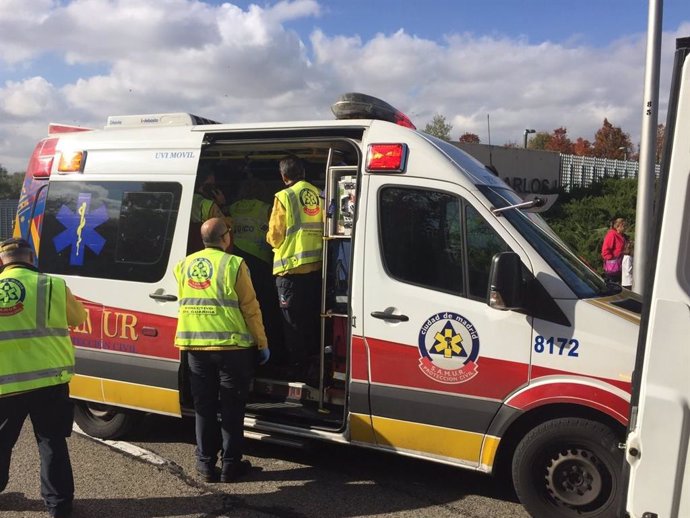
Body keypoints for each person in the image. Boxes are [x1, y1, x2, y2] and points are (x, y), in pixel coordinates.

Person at [174, 217, 269, 483]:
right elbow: (250, 308)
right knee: (232, 407)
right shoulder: (235, 264)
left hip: (195, 348)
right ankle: (230, 465)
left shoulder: (183, 265)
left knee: (203, 408)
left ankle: (205, 465)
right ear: (226, 237)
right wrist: (262, 343)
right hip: (232, 348)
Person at [0, 237, 87, 518]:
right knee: (51, 443)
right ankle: (59, 506)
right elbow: (77, 317)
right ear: (31, 258)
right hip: (49, 381)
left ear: (2, 261)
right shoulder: (53, 285)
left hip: (5, 384)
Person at [266, 156, 323, 382]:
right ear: (304, 172)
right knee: (311, 319)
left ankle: (298, 368)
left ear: (283, 176)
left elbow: (275, 236)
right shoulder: (319, 193)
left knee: (292, 324)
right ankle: (312, 363)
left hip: (290, 271)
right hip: (316, 268)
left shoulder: (284, 196)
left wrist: (268, 238)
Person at [228, 179, 286, 364]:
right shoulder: (266, 208)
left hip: (237, 262)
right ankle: (268, 351)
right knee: (263, 310)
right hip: (261, 264)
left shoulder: (232, 207)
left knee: (242, 310)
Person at [601, 217, 627, 284]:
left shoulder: (623, 236)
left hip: (620, 266)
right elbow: (605, 251)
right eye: (623, 226)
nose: (625, 227)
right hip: (612, 267)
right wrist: (612, 258)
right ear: (618, 226)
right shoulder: (611, 235)